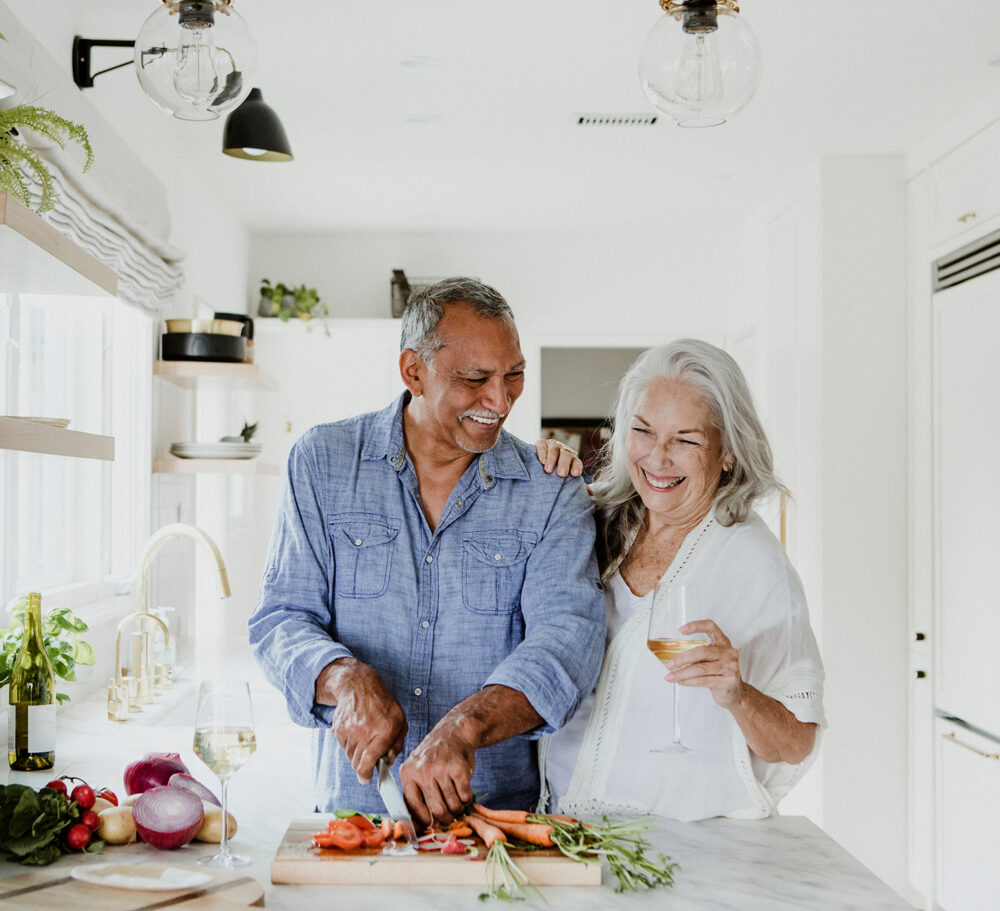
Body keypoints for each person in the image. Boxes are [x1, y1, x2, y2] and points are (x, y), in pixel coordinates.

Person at [248, 277, 605, 825]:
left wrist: (465, 728)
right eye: (475, 379)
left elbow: (566, 643)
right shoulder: (322, 462)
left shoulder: (551, 489)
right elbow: (281, 618)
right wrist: (344, 678)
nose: (500, 400)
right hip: (353, 817)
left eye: (514, 376)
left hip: (495, 823)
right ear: (413, 371)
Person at [541, 339, 825, 821]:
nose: (657, 457)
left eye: (686, 440)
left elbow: (796, 742)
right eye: (643, 431)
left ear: (728, 452)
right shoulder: (593, 521)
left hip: (680, 848)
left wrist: (738, 694)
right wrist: (538, 472)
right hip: (561, 827)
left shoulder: (754, 563)